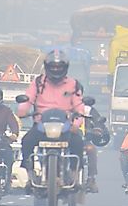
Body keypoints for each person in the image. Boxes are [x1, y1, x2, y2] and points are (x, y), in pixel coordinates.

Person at [16, 50, 86, 191]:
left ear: (65, 68)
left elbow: (79, 105)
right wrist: (22, 110)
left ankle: (74, 175)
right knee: (26, 142)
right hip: (42, 124)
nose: (56, 70)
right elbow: (28, 98)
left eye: (59, 67)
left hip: (66, 126)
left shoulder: (73, 84)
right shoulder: (38, 82)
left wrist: (76, 123)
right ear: (47, 67)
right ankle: (30, 176)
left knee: (78, 142)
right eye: (53, 67)